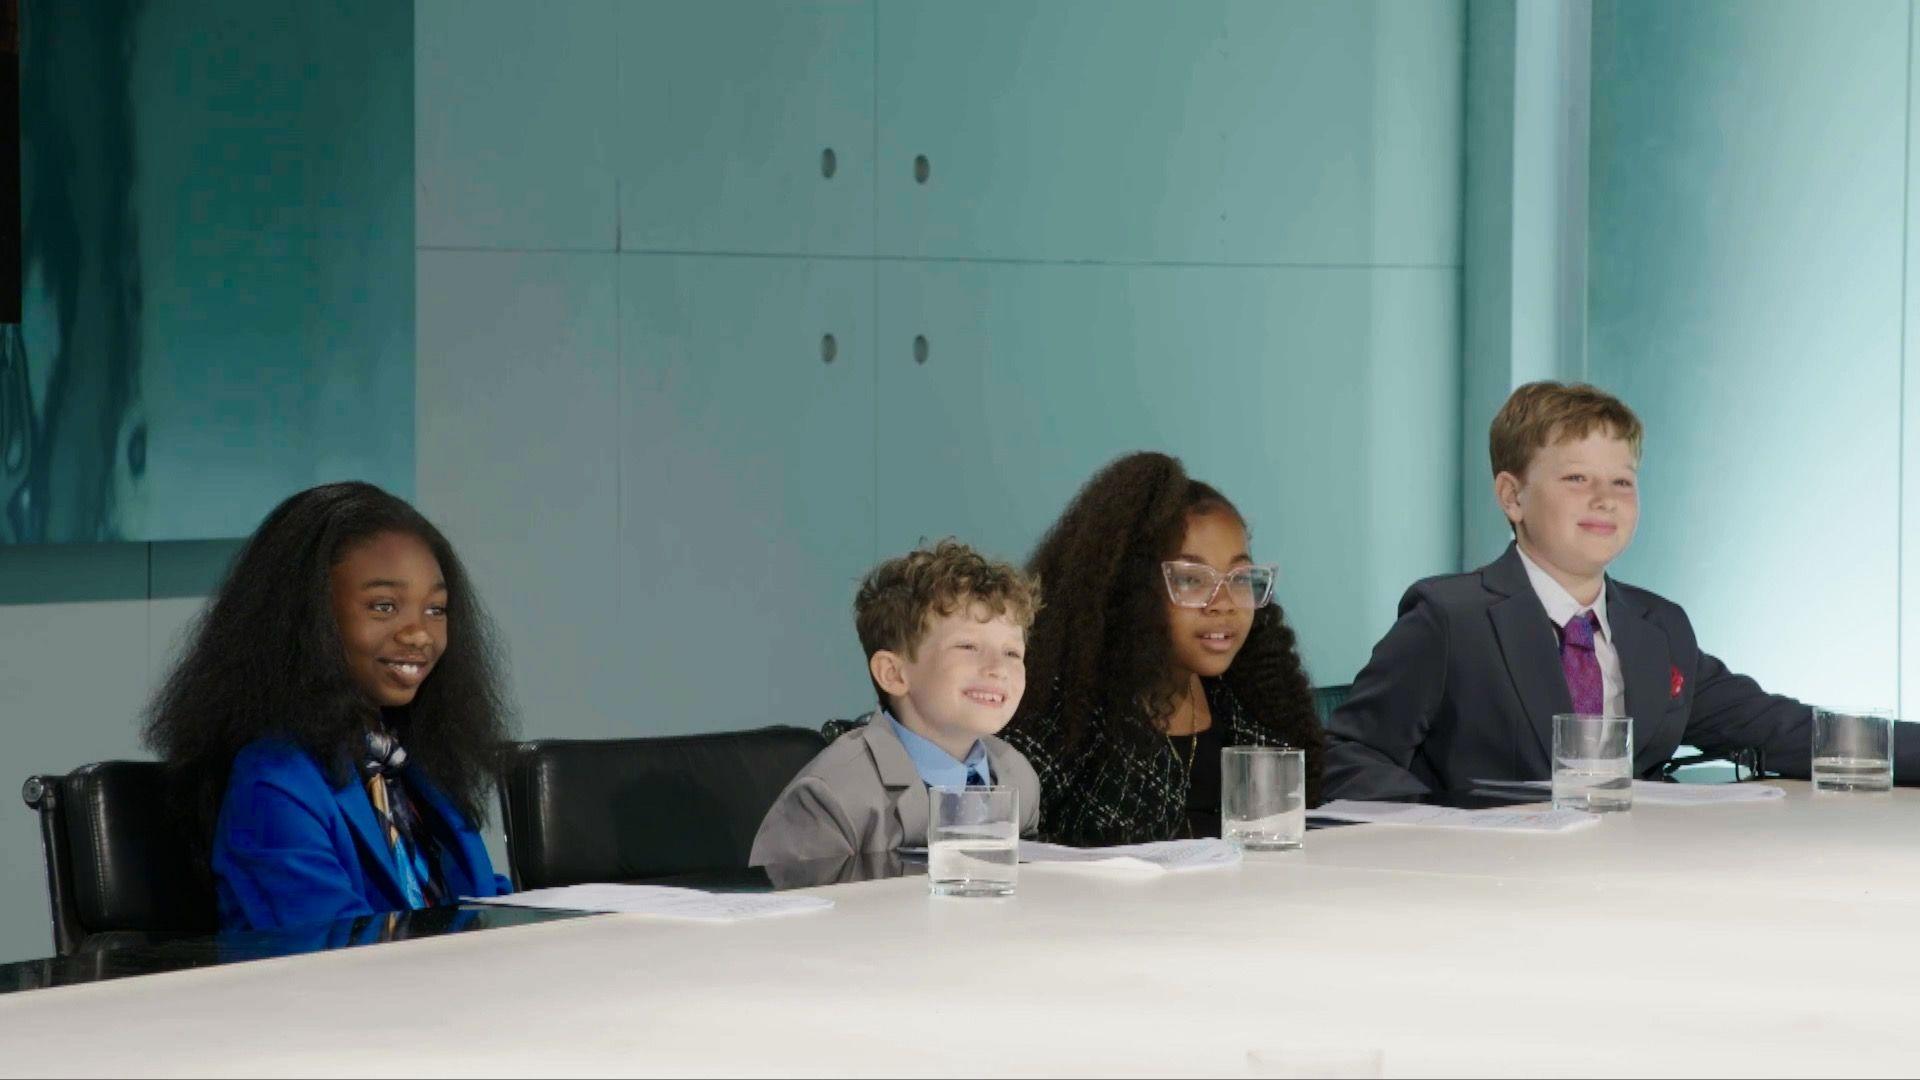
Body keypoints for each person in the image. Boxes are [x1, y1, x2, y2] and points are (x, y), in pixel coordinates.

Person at [1323, 380, 1920, 799]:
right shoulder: (1450, 618)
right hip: (1488, 892)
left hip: (1631, 883)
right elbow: (1347, 756)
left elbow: (1778, 730)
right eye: (1576, 478)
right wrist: (1446, 828)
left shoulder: (1659, 629)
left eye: (1622, 481)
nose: (1604, 498)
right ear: (1512, 496)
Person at [145, 481, 514, 930]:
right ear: (308, 618)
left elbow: (482, 900)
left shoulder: (416, 769)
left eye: (436, 610)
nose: (419, 634)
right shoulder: (274, 782)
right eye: (384, 606)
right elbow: (330, 950)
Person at [1002, 452, 1324, 845]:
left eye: (1239, 577)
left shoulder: (1255, 709)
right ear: (1133, 589)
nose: (1222, 603)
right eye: (1191, 580)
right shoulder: (1064, 714)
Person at [751, 540, 1042, 865]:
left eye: (1012, 652)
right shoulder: (832, 798)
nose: (998, 669)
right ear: (893, 674)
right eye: (968, 647)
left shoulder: (1018, 778)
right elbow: (791, 911)